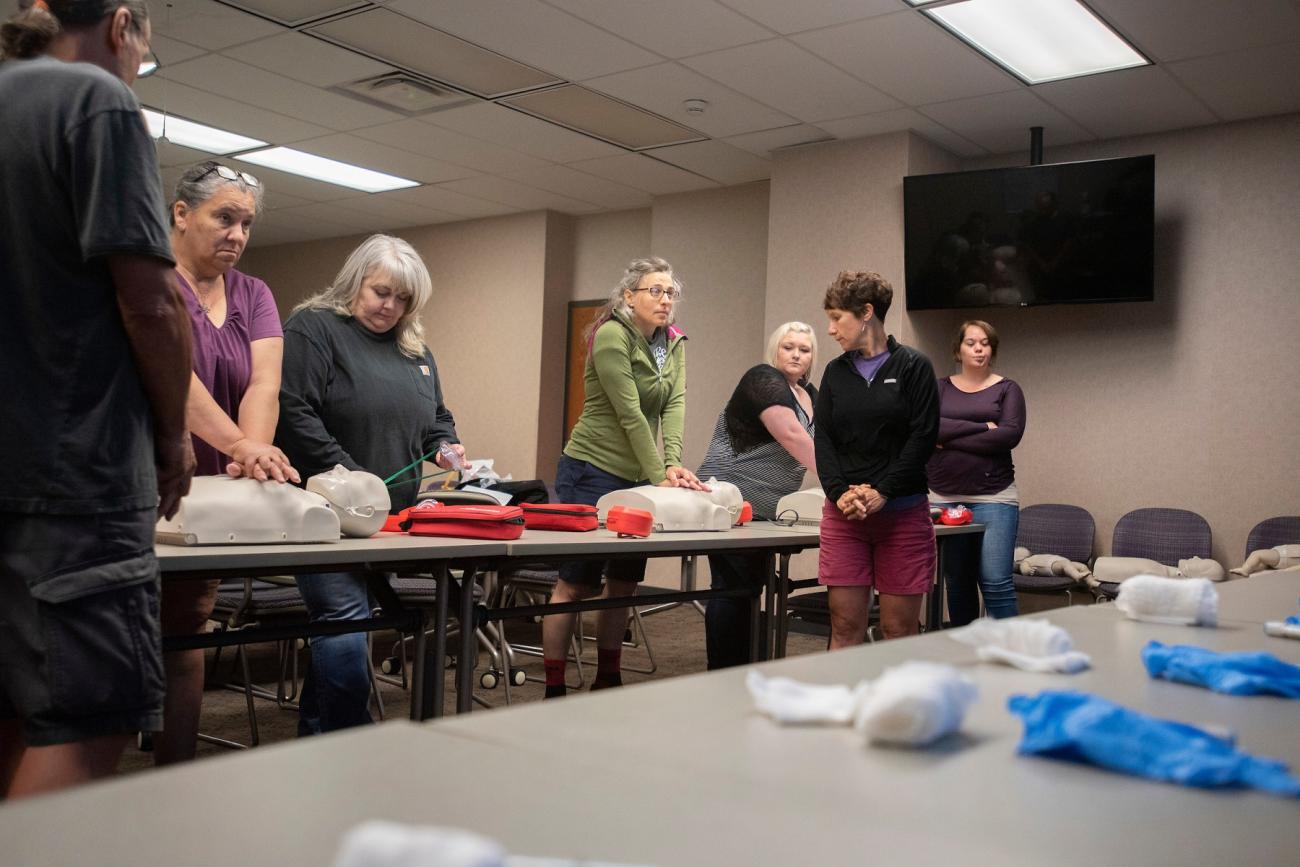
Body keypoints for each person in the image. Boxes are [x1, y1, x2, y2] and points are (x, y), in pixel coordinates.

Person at [0, 0, 194, 798]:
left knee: (15, 707)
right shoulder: (95, 98)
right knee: (87, 721)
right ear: (122, 26)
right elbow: (149, 301)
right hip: (74, 474)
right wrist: (174, 432)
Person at [276, 234, 465, 734]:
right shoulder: (313, 329)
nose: (391, 306)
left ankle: (318, 742)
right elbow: (293, 411)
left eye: (403, 299)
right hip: (327, 517)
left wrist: (446, 446)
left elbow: (436, 418)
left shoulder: (414, 349)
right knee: (344, 623)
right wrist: (350, 476)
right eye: (382, 292)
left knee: (346, 629)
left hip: (392, 522)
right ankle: (351, 744)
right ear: (355, 281)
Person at [155, 160, 298, 764]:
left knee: (186, 635)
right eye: (224, 218)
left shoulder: (254, 294)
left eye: (246, 223)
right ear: (182, 214)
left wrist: (253, 457)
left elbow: (262, 384)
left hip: (210, 498)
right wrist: (244, 447)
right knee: (113, 641)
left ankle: (173, 773)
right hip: (143, 482)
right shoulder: (151, 280)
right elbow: (172, 378)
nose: (237, 234)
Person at [542, 257, 706, 698]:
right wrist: (660, 476)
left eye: (670, 291)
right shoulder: (612, 335)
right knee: (575, 584)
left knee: (623, 584)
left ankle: (608, 678)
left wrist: (670, 464)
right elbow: (630, 413)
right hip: (590, 470)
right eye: (655, 290)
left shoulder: (674, 341)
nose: (665, 299)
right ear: (629, 296)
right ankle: (554, 685)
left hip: (638, 479)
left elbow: (674, 405)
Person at [814, 271, 939, 648]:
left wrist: (883, 491)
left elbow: (923, 437)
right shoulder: (835, 372)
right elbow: (825, 439)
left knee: (898, 632)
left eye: (837, 318)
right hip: (845, 517)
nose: (832, 329)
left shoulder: (914, 366)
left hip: (902, 515)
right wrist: (839, 494)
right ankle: (842, 709)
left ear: (867, 312)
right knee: (844, 626)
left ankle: (896, 708)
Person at [696, 322, 818, 668]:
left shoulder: (811, 394)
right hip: (731, 501)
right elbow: (794, 437)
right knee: (732, 588)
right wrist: (843, 482)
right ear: (774, 351)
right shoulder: (762, 379)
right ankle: (721, 673)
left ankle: (745, 668)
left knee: (750, 588)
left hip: (767, 510)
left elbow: (826, 443)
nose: (796, 354)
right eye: (788, 347)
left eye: (804, 349)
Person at [927, 320, 1025, 625]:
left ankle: (1013, 653)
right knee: (958, 584)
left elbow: (1008, 436)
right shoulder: (939, 387)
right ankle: (967, 655)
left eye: (985, 342)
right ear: (958, 349)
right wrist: (982, 427)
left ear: (992, 349)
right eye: (971, 342)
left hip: (994, 500)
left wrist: (949, 439)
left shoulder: (1008, 389)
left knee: (996, 582)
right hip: (943, 497)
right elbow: (930, 429)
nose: (979, 348)